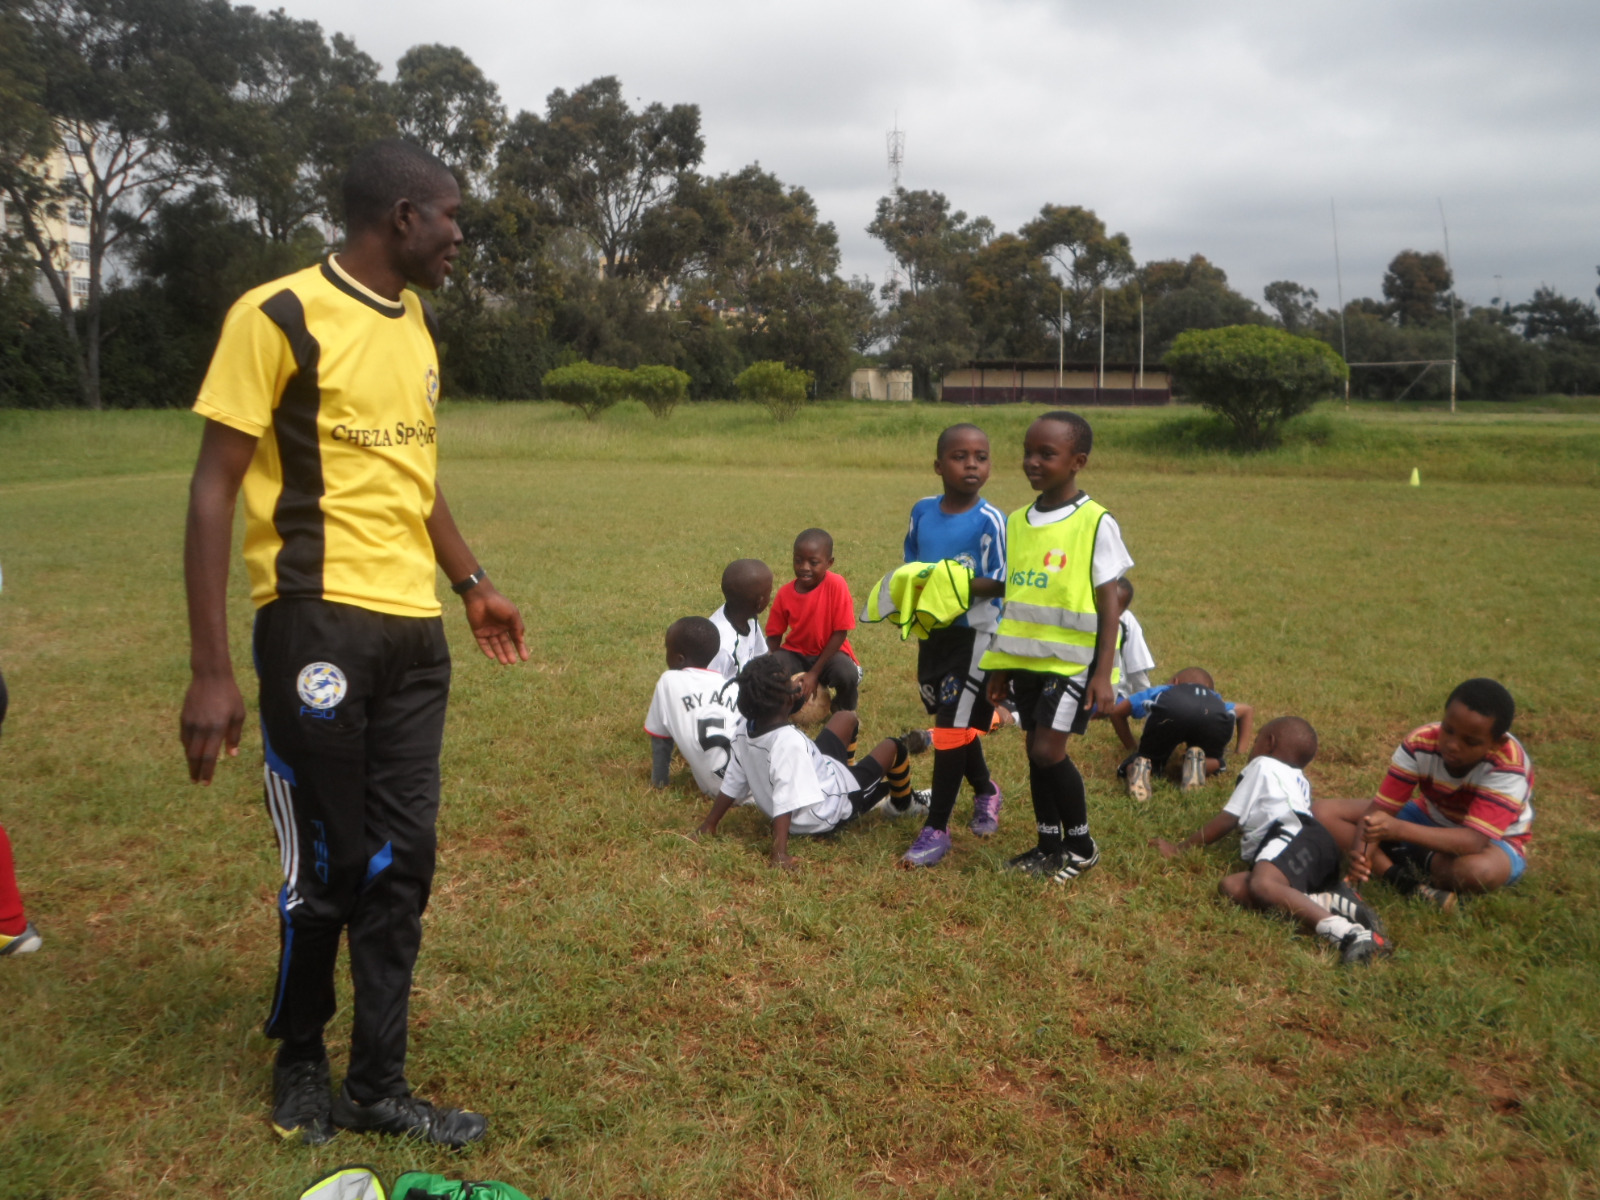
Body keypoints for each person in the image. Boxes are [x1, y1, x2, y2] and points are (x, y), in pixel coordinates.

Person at [179, 140, 527, 1149]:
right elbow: (212, 487)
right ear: (404, 217)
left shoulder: (416, 326)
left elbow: (415, 474)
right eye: (453, 216)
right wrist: (211, 669)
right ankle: (299, 1055)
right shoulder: (276, 314)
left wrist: (471, 584)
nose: (462, 235)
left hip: (414, 633)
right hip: (311, 618)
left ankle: (378, 1086)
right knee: (329, 862)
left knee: (401, 861)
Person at [972, 411, 1131, 884]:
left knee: (1047, 751)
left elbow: (1110, 605)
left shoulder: (1095, 521)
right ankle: (1048, 846)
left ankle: (1081, 845)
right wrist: (1001, 666)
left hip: (1074, 664)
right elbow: (1016, 598)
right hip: (1026, 663)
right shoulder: (1017, 521)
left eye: (1047, 453)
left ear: (1077, 461)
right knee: (1032, 750)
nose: (1032, 462)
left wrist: (1104, 674)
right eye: (1027, 451)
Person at [1150, 717, 1392, 967]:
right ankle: (1329, 901)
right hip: (1316, 845)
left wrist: (1179, 849)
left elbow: (1227, 819)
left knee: (1263, 883)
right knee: (1232, 887)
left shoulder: (1262, 764)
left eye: (1255, 741)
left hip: (1293, 831)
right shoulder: (1299, 779)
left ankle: (1348, 934)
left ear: (1269, 743)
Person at [1315, 678, 1533, 911]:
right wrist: (1361, 856)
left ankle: (1405, 852)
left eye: (1470, 741)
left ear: (1497, 742)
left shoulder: (1509, 765)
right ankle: (1400, 879)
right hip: (1428, 816)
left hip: (1494, 841)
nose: (1452, 744)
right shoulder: (1421, 742)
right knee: (1321, 813)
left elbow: (1474, 840)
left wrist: (1396, 830)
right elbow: (1379, 812)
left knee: (1477, 872)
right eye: (1448, 730)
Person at [692, 655, 928, 870]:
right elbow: (785, 800)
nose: (797, 686)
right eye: (790, 685)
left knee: (845, 717)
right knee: (893, 747)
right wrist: (779, 854)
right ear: (787, 702)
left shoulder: (746, 728)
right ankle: (902, 804)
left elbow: (733, 779)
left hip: (824, 771)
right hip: (831, 807)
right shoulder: (789, 743)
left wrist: (709, 824)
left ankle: (850, 770)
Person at [898, 423, 1009, 868]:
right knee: (956, 723)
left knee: (948, 726)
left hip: (976, 638)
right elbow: (911, 565)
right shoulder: (922, 511)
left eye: (980, 457)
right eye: (961, 456)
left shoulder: (990, 520)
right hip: (935, 635)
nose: (971, 465)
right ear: (939, 465)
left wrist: (952, 583)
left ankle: (937, 829)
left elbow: (1003, 580)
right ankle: (986, 790)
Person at [1103, 668, 1255, 801]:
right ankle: (1200, 765)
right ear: (1210, 689)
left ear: (1175, 682)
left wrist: (1132, 746)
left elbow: (1117, 712)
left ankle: (1139, 767)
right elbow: (1247, 710)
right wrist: (1240, 751)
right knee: (1214, 759)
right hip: (1212, 714)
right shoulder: (1214, 698)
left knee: (1149, 759)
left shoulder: (1164, 690)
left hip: (1172, 710)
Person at [767, 529, 861, 714]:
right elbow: (774, 636)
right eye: (798, 560)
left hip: (830, 653)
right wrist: (768, 665)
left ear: (829, 563)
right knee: (771, 669)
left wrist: (814, 673)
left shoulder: (837, 585)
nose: (804, 567)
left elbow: (840, 632)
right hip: (796, 653)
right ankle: (779, 710)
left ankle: (844, 710)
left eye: (814, 562)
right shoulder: (785, 593)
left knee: (846, 674)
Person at [646, 617, 742, 797]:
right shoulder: (733, 687)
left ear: (679, 659)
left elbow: (661, 740)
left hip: (718, 791)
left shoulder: (668, 681)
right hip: (751, 783)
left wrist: (659, 782)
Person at [708, 559, 772, 681]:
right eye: (769, 592)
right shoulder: (721, 643)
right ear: (759, 602)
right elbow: (709, 688)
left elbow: (762, 657)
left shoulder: (748, 617)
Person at [1112, 577, 1156, 702]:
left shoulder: (1126, 621)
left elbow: (1137, 671)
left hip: (1115, 693)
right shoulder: (1084, 616)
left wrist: (1147, 705)